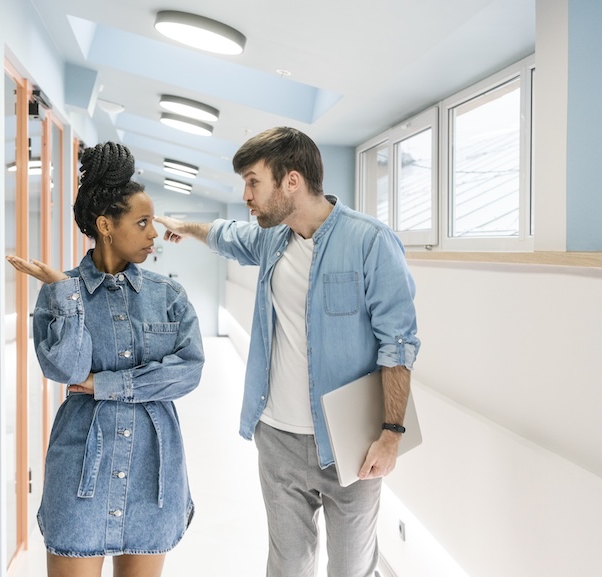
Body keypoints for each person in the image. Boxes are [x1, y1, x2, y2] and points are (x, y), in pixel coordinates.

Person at [155, 126, 420, 577]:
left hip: (350, 446)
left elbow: (397, 343)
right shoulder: (272, 240)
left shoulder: (370, 241)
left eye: (254, 181)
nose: (246, 194)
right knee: (288, 566)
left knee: (352, 568)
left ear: (291, 181)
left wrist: (392, 433)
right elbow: (225, 234)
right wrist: (184, 226)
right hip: (277, 438)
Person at [7, 142, 205, 577]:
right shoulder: (59, 293)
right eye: (142, 222)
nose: (154, 233)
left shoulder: (168, 296)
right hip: (81, 471)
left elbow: (189, 371)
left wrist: (107, 385)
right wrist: (66, 296)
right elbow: (65, 370)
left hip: (153, 471)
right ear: (106, 226)